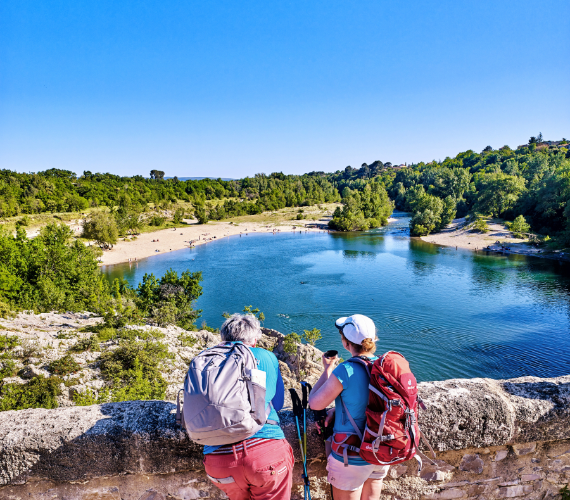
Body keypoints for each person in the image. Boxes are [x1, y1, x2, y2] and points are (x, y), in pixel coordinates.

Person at [203, 314, 294, 500]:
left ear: (223, 337)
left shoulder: (206, 360)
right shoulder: (266, 356)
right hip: (265, 453)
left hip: (218, 460)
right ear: (254, 339)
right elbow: (277, 403)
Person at [309, 314, 388, 500]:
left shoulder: (345, 370)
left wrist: (328, 369)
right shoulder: (384, 367)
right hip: (380, 450)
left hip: (351, 454)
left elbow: (315, 402)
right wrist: (338, 409)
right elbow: (371, 402)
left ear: (346, 344)